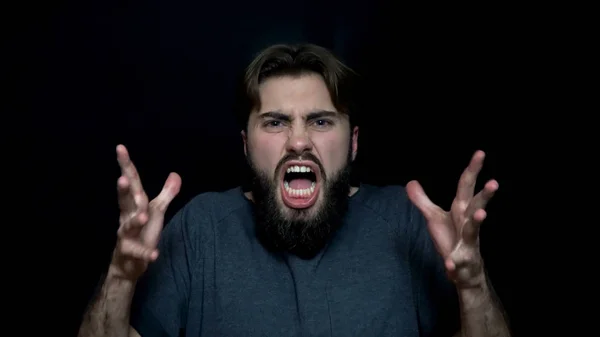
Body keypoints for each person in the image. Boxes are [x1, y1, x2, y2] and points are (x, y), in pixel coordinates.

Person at [78, 43, 511, 337]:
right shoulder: (201, 229)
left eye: (321, 121)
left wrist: (473, 287)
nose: (299, 141)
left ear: (353, 142)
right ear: (246, 146)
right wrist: (120, 276)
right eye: (275, 122)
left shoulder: (403, 222)